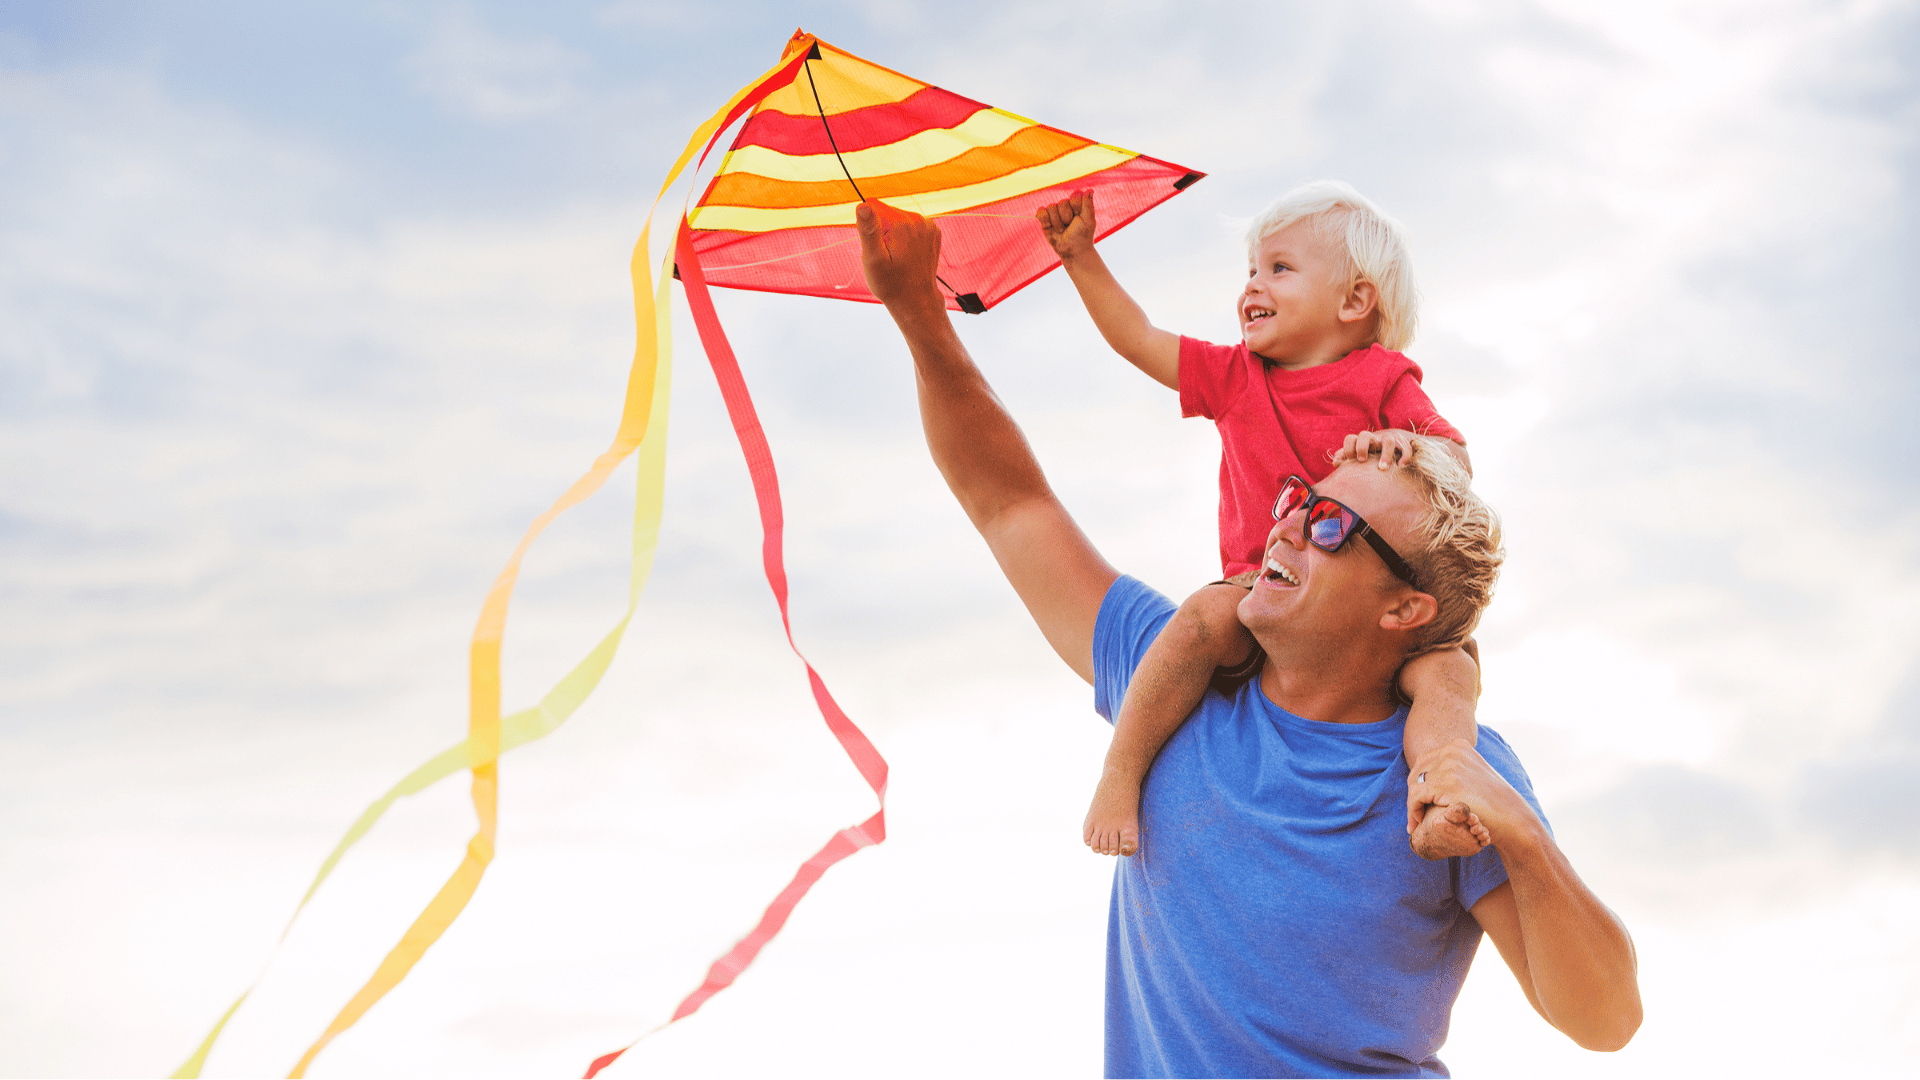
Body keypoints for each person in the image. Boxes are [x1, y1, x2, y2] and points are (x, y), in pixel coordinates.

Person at [855, 199, 1641, 1078]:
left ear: (1405, 611)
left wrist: (1522, 840)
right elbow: (1010, 505)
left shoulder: (1449, 779)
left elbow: (1605, 1020)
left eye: (1333, 524)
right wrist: (916, 313)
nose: (1291, 527)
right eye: (1296, 502)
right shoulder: (1178, 678)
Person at [1035, 182, 1484, 861]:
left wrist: (1410, 447)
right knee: (1196, 623)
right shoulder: (1235, 375)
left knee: (1450, 671)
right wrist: (1080, 258)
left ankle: (1439, 791)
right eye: (1250, 270)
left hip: (1366, 615)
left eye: (1279, 268)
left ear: (1356, 301)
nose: (1252, 285)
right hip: (1260, 586)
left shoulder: (1382, 379)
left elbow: (1455, 460)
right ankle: (1120, 772)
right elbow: (1137, 339)